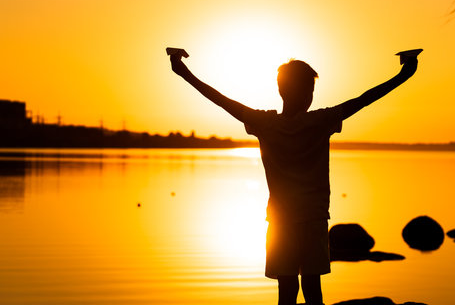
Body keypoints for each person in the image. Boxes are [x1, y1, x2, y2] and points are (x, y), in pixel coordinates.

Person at [169, 52, 418, 305]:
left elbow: (222, 100)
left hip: (280, 222)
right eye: (310, 90)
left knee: (286, 293)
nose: (312, 96)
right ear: (306, 93)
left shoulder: (265, 122)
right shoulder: (321, 121)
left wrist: (183, 71)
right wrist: (403, 75)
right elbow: (364, 100)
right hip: (313, 220)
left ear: (281, 91)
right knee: (313, 291)